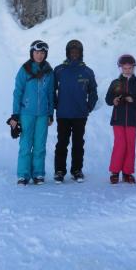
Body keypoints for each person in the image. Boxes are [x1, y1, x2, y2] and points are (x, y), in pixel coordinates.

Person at [9, 40, 54, 185]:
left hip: (42, 115)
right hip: (26, 113)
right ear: (32, 53)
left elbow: (51, 93)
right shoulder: (24, 70)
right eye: (37, 52)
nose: (39, 55)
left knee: (40, 145)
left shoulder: (48, 71)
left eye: (42, 53)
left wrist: (50, 113)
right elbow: (18, 92)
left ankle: (38, 174)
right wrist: (15, 115)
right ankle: (23, 175)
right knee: (26, 145)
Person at [53, 40, 98, 183]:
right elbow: (51, 89)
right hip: (63, 114)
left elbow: (93, 92)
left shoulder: (87, 71)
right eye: (71, 51)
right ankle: (59, 171)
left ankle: (77, 170)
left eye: (76, 51)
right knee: (62, 143)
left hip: (80, 114)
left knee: (78, 143)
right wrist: (56, 104)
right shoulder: (59, 70)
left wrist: (88, 107)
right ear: (67, 53)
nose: (74, 54)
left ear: (81, 53)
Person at [105, 55, 136, 184]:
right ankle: (115, 172)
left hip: (132, 120)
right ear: (120, 68)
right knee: (120, 145)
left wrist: (133, 100)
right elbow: (107, 100)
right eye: (125, 68)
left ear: (134, 68)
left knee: (130, 146)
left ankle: (128, 173)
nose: (127, 70)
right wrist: (114, 100)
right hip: (118, 119)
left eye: (130, 68)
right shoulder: (115, 83)